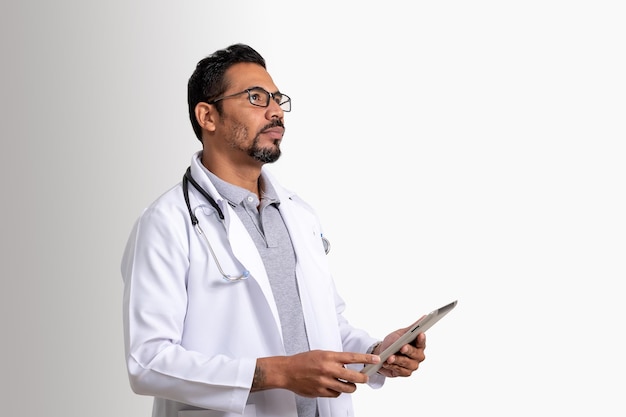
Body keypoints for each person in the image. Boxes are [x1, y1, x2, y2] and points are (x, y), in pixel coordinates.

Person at [121, 43, 426, 417]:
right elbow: (148, 361)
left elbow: (327, 326)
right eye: (256, 98)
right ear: (208, 116)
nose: (276, 111)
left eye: (277, 99)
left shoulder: (298, 214)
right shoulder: (167, 222)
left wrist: (377, 353)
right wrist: (278, 372)